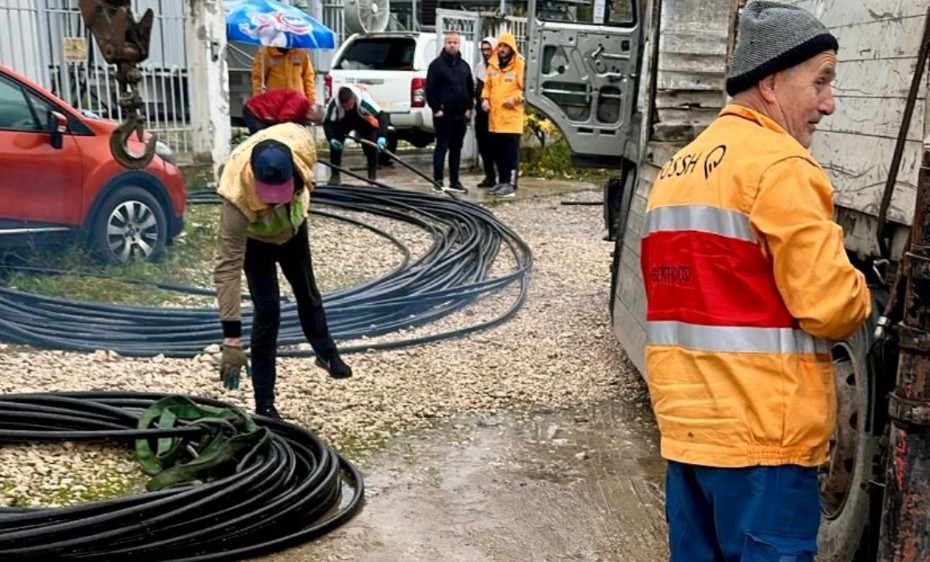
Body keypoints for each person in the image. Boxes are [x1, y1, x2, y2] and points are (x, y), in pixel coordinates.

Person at [639, 2, 872, 560]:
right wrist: (859, 286)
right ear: (770, 82)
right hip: (763, 441)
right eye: (820, 81)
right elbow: (832, 307)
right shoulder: (780, 167)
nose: (828, 104)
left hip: (690, 435)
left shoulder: (678, 169)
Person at [214, 122, 352, 421]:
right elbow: (227, 270)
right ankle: (265, 402)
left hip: (293, 230)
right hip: (257, 244)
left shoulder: (301, 146)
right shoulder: (235, 197)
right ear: (253, 176)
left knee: (307, 290)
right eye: (268, 195)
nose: (274, 199)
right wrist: (232, 340)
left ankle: (325, 352)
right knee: (268, 312)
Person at [425, 31, 475, 190]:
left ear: (459, 44)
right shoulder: (436, 65)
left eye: (455, 42)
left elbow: (469, 88)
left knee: (456, 148)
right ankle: (438, 181)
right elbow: (430, 89)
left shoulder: (464, 66)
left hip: (461, 114)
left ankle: (455, 180)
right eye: (449, 42)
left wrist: (469, 108)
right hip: (444, 114)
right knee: (442, 147)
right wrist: (436, 108)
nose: (452, 45)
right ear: (445, 44)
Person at [481, 33, 525, 199]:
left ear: (512, 48)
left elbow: (526, 89)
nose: (502, 49)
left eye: (506, 46)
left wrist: (514, 99)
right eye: (500, 46)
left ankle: (511, 184)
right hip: (495, 119)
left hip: (511, 119)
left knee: (510, 155)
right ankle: (502, 181)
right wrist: (484, 99)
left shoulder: (519, 65)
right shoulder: (492, 65)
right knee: (498, 153)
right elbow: (487, 86)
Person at [323, 85, 389, 184]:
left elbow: (382, 116)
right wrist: (331, 138)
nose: (348, 108)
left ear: (353, 98)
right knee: (336, 142)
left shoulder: (364, 101)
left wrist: (382, 136)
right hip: (343, 120)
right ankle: (335, 175)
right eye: (345, 107)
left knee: (372, 143)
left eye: (349, 105)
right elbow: (328, 122)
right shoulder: (334, 103)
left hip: (362, 118)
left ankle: (372, 176)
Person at [474, 36, 499, 189]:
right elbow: (475, 86)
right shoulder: (479, 68)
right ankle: (489, 176)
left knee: (497, 146)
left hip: (496, 112)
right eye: (483, 50)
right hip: (481, 111)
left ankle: (502, 178)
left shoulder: (499, 67)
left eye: (488, 49)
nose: (485, 52)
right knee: (483, 146)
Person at [242, 88, 323, 134]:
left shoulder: (303, 112)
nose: (310, 122)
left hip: (265, 114)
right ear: (312, 110)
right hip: (255, 110)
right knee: (261, 139)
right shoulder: (297, 99)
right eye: (312, 120)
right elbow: (283, 118)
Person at [251, 46, 315, 100]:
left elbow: (308, 77)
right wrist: (258, 100)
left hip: (297, 103)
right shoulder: (265, 53)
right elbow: (258, 78)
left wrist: (311, 100)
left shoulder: (301, 52)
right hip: (275, 103)